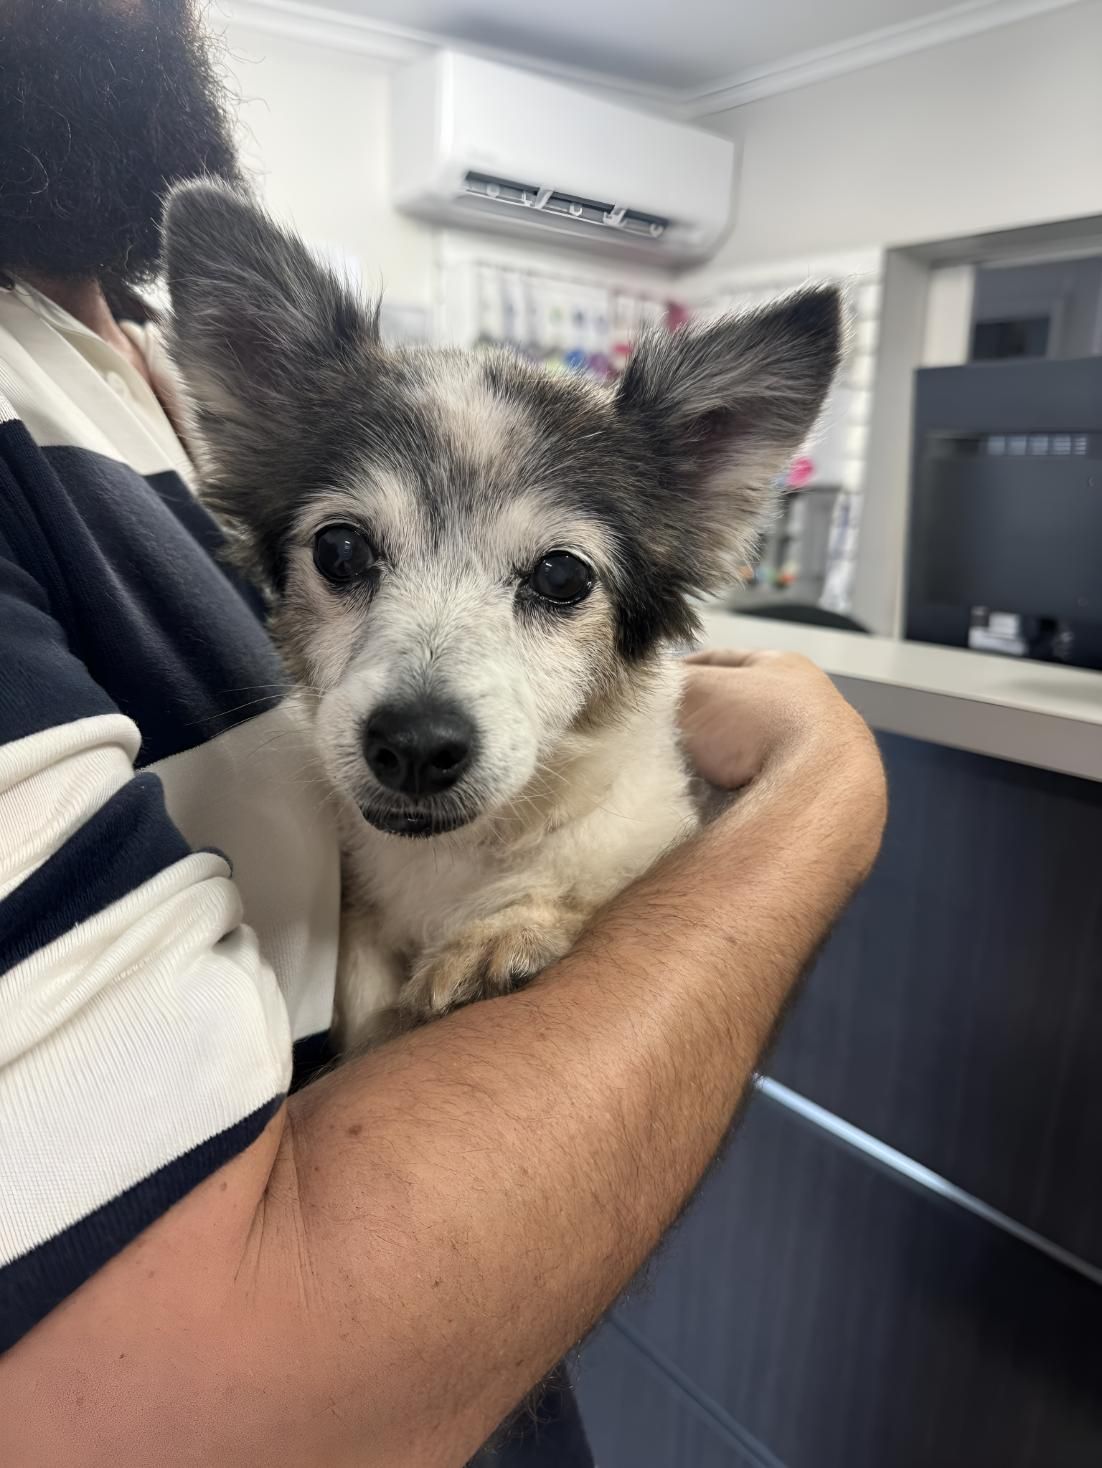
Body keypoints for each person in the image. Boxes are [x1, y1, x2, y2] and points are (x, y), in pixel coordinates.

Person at [0, 3, 887, 1464]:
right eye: (349, 557)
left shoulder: (135, 356)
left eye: (552, 583)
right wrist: (822, 794)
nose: (417, 710)